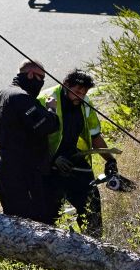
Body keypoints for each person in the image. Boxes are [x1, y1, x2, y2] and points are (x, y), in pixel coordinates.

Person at [40, 70, 117, 236]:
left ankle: (94, 242)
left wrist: (110, 160)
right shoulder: (48, 101)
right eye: (77, 92)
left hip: (73, 158)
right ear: (66, 85)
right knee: (48, 216)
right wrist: (52, 159)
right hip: (48, 164)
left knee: (92, 202)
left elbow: (95, 135)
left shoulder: (85, 103)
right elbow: (34, 140)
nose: (80, 97)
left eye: (84, 93)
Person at [0, 61, 59, 223]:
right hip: (25, 169)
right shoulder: (21, 98)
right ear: (30, 74)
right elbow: (47, 125)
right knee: (34, 219)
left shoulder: (2, 94)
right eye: (41, 78)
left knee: (13, 218)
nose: (41, 82)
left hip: (6, 164)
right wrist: (51, 109)